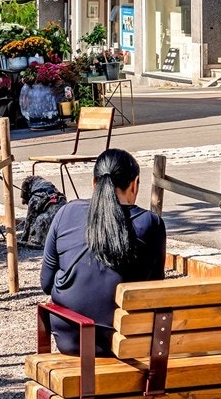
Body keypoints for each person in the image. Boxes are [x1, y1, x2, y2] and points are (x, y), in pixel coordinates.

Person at [40, 149, 166, 356]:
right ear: (134, 184)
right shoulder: (150, 224)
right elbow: (154, 289)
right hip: (124, 340)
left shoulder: (66, 213)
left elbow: (46, 284)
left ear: (93, 183)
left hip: (70, 338)